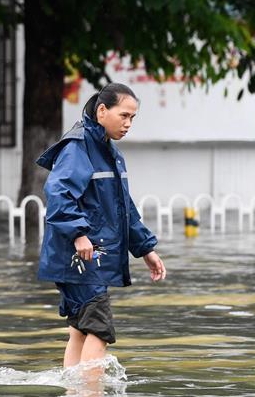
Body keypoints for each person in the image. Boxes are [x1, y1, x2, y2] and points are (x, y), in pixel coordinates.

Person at [36, 83, 166, 371]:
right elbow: (59, 193)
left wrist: (146, 249)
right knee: (99, 328)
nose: (128, 123)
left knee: (81, 329)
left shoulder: (109, 152)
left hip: (91, 257)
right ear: (102, 111)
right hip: (79, 257)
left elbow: (123, 208)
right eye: (124, 115)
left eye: (133, 118)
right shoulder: (78, 147)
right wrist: (79, 234)